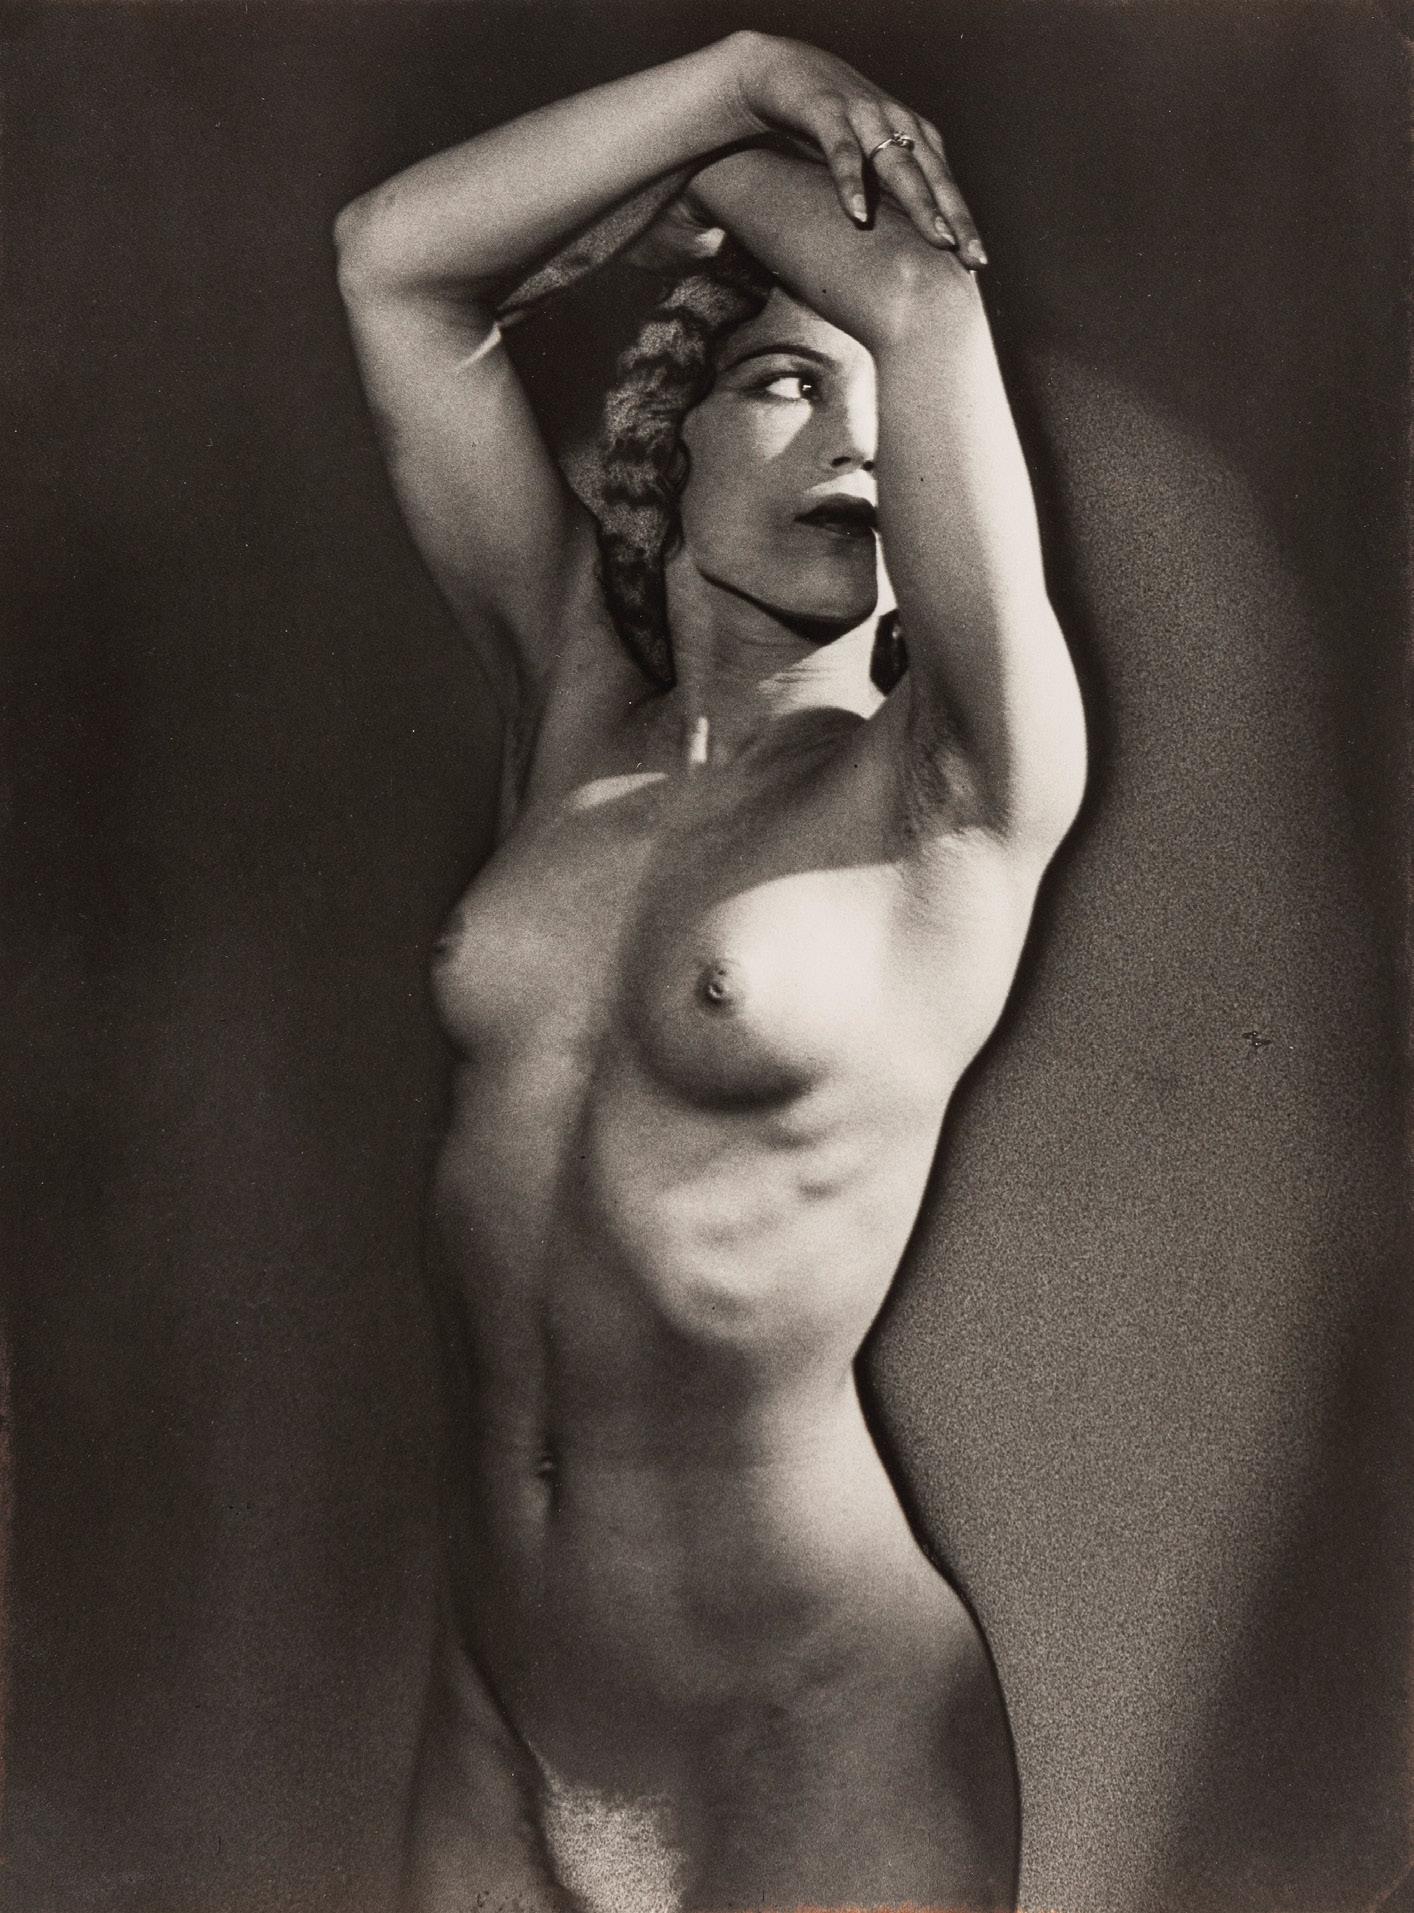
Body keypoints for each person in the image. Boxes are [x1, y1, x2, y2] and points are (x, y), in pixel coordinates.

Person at [334, 29, 1086, 1913]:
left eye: (880, 416)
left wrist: (722, 173)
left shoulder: (956, 787)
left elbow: (921, 303)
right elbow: (393, 265)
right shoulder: (568, 715)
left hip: (811, 1734)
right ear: (654, 453)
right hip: (498, 1718)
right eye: (783, 384)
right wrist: (739, 72)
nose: (857, 445)